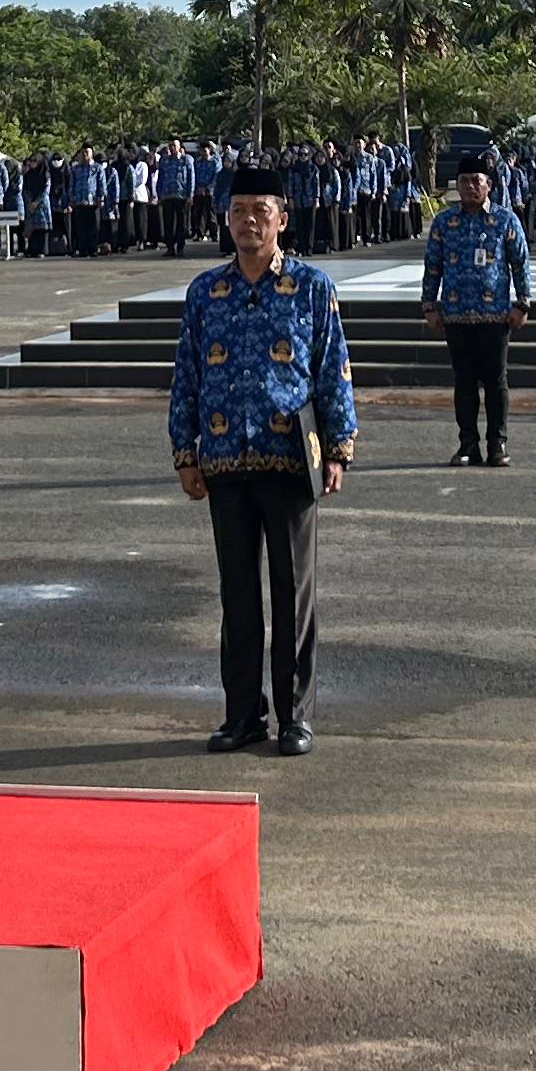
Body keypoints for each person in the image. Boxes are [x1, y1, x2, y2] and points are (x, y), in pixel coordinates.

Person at [170, 166, 355, 756]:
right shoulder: (206, 292)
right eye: (238, 209)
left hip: (289, 458)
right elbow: (187, 377)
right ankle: (242, 713)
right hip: (225, 458)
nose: (249, 220)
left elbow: (333, 370)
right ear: (225, 218)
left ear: (282, 218)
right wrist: (184, 451)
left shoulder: (311, 286)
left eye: (260, 210)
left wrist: (339, 447)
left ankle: (295, 715)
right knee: (237, 596)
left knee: (293, 591)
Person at [420, 153, 532, 469]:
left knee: (496, 382)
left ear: (489, 185)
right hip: (455, 313)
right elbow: (433, 266)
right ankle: (468, 444)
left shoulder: (505, 220)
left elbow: (520, 264)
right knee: (464, 382)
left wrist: (523, 303)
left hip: (495, 314)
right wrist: (429, 305)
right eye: (464, 181)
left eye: (476, 181)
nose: (470, 187)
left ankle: (498, 444)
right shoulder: (444, 222)